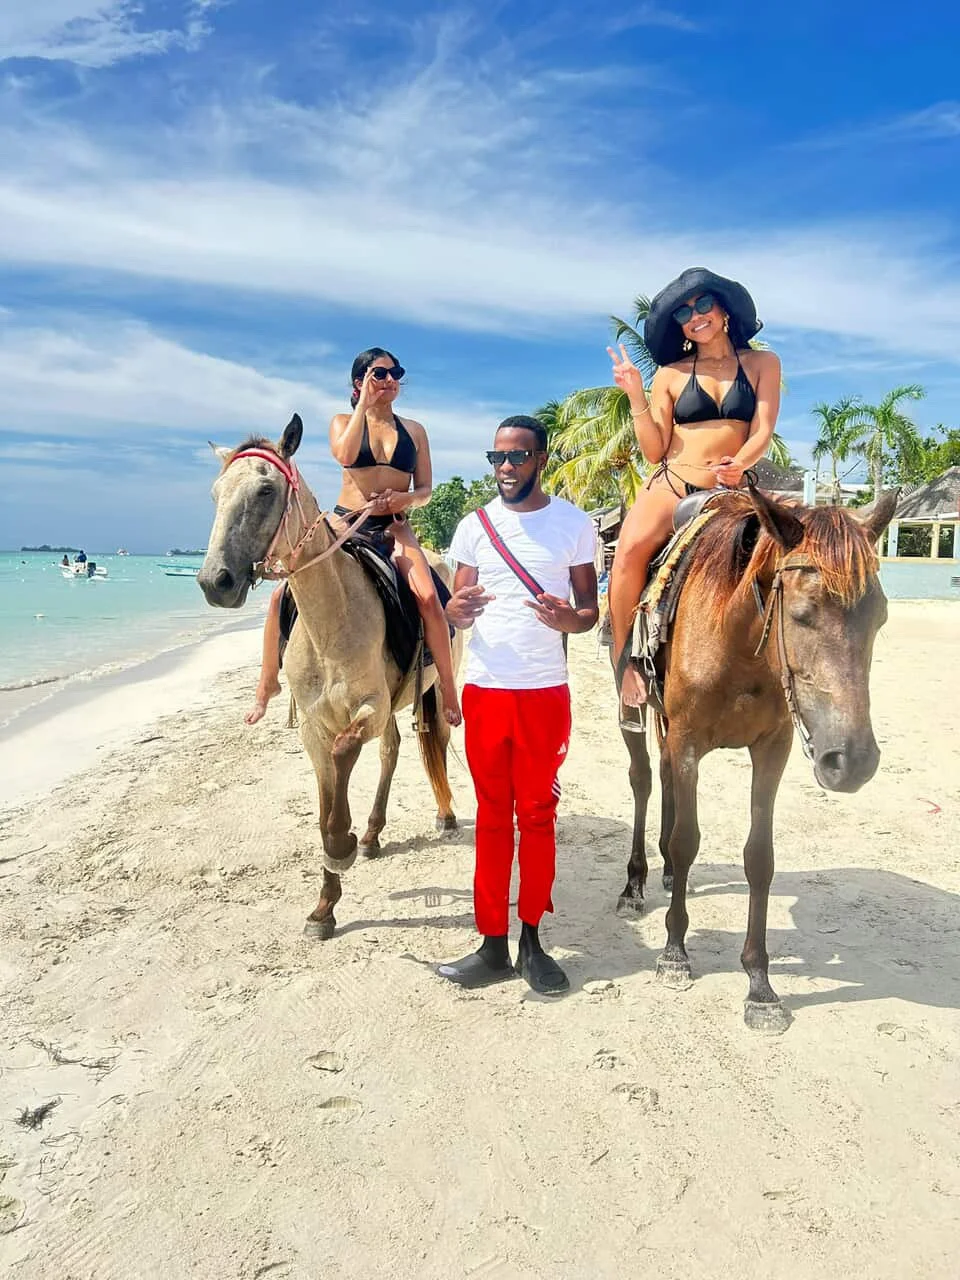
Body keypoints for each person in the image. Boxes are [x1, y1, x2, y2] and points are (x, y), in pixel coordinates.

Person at [438, 416, 598, 995]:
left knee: (535, 814)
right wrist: (458, 610)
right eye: (497, 457)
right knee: (490, 816)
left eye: (517, 457)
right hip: (484, 686)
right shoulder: (473, 527)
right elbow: (457, 606)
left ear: (541, 459)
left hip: (543, 690)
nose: (505, 468)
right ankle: (491, 945)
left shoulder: (574, 527)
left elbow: (589, 612)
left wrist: (568, 620)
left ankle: (532, 939)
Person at [245, 348, 462, 727]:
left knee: (428, 598)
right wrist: (365, 404)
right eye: (380, 374)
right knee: (282, 593)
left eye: (396, 373)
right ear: (359, 382)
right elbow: (345, 454)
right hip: (345, 526)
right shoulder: (343, 421)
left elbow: (426, 489)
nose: (391, 380)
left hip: (394, 526)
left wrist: (405, 498)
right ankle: (267, 683)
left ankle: (446, 685)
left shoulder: (414, 431)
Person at [606, 267, 781, 719]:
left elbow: (762, 429)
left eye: (703, 304)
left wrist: (741, 462)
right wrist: (634, 395)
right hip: (673, 481)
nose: (695, 316)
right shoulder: (669, 374)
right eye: (685, 312)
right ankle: (626, 664)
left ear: (724, 310)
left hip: (732, 485)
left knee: (793, 552)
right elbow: (651, 450)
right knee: (627, 555)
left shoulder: (763, 363)